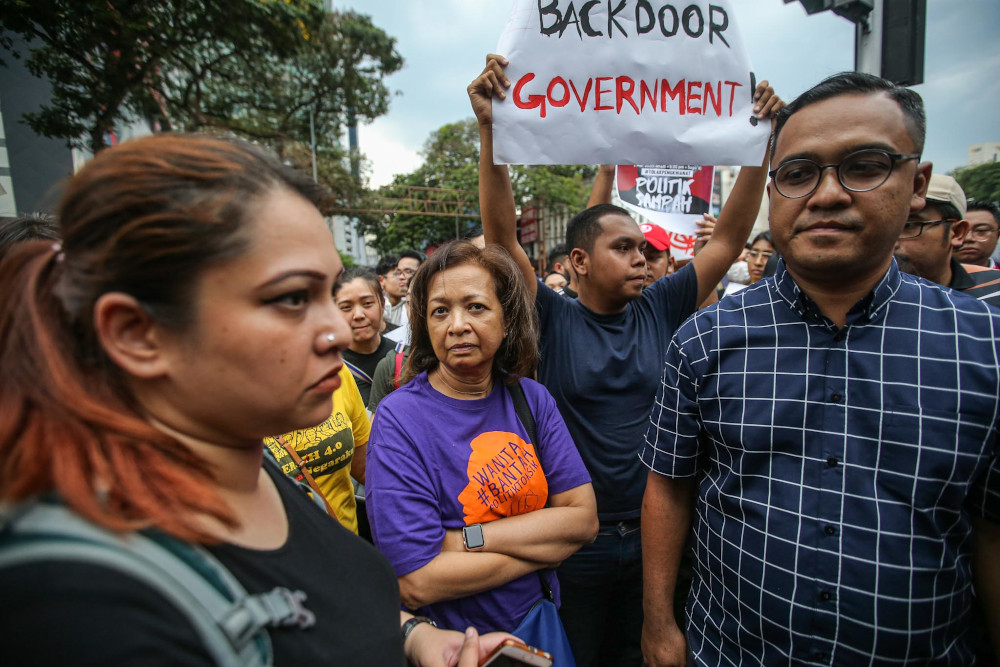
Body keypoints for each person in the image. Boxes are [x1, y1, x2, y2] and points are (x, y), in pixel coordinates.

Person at [0, 134, 514, 665]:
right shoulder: (82, 600)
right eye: (292, 298)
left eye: (330, 292)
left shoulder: (258, 468)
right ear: (137, 333)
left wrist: (413, 638)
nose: (338, 332)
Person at [640, 72, 1000, 666]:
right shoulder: (704, 339)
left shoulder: (984, 345)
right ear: (774, 189)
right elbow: (669, 486)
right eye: (799, 174)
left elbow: (989, 526)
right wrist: (658, 626)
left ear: (919, 184)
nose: (827, 194)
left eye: (864, 166)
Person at [469, 54, 783, 665]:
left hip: (659, 544)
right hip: (574, 541)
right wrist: (490, 130)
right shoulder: (551, 317)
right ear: (579, 263)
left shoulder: (662, 307)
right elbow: (503, 237)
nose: (643, 258)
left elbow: (724, 240)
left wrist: (758, 144)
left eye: (644, 248)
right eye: (624, 248)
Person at [366, 241, 598, 648]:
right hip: (456, 645)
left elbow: (582, 521)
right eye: (440, 311)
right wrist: (546, 549)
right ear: (424, 325)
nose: (457, 324)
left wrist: (466, 539)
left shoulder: (531, 399)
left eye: (475, 307)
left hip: (538, 626)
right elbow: (417, 581)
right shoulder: (399, 419)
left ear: (506, 319)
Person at [264, 367, 370, 534]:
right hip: (277, 552)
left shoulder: (336, 372)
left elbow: (366, 468)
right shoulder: (226, 395)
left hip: (343, 544)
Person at [894, 173, 1000, 307]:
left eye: (909, 225)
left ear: (957, 233)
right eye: (883, 226)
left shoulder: (993, 293)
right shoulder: (863, 297)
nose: (890, 240)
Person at [336, 267, 398, 406]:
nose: (358, 315)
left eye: (367, 304)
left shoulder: (405, 357)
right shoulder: (331, 368)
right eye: (346, 307)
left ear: (382, 305)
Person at [960, 200, 1000, 269]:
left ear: (997, 236)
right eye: (959, 231)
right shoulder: (935, 277)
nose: (968, 238)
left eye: (981, 230)